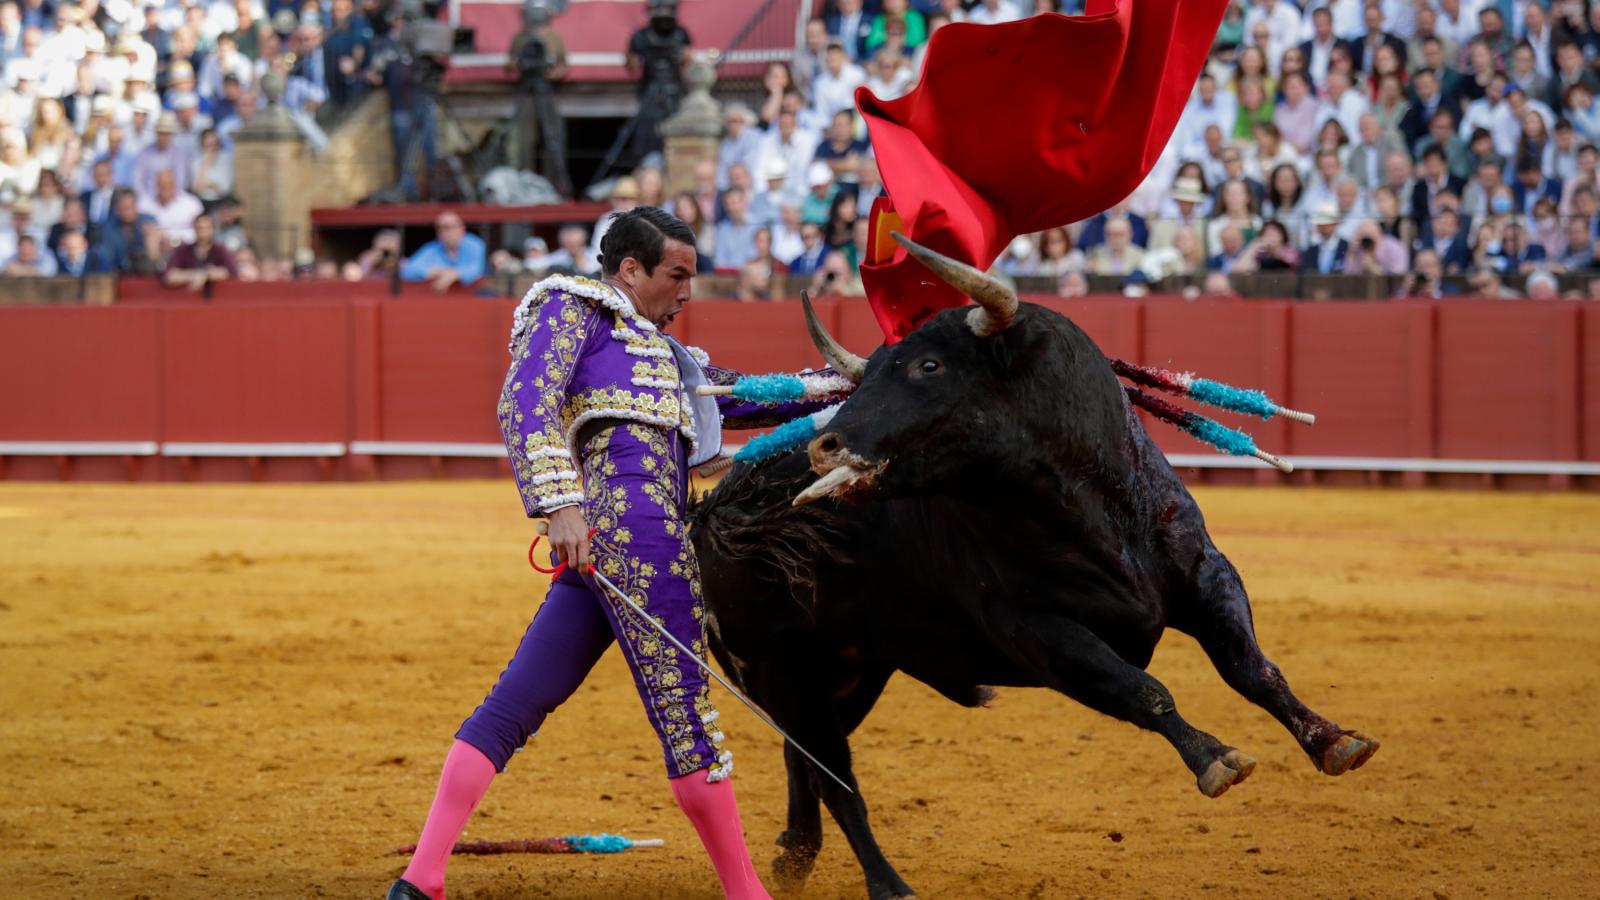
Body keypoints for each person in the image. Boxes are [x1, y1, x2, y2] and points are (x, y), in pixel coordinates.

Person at [387, 206, 844, 900]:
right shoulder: (575, 308)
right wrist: (557, 503)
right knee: (686, 714)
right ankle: (747, 893)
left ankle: (422, 878)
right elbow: (526, 402)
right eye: (676, 275)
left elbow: (742, 395)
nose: (687, 291)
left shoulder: (666, 355)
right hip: (642, 537)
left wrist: (847, 391)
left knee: (518, 702)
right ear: (630, 270)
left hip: (605, 548)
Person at [505, 1, 570, 197]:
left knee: (553, 137)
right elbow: (510, 64)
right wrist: (519, 65)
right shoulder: (520, 37)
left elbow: (563, 67)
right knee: (523, 139)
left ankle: (555, 184)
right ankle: (522, 184)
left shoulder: (553, 37)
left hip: (546, 91)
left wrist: (550, 72)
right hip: (526, 91)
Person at [625, 0, 691, 166]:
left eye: (666, 8)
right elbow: (631, 66)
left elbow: (688, 58)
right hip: (650, 89)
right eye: (659, 8)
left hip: (674, 88)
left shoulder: (681, 33)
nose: (663, 13)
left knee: (676, 129)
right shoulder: (640, 35)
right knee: (647, 133)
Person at [400, 211, 486, 292]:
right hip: (438, 302)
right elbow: (408, 270)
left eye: (448, 227)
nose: (443, 232)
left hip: (473, 299)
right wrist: (438, 272)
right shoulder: (433, 248)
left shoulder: (475, 245)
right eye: (439, 228)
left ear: (461, 229)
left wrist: (456, 274)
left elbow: (481, 268)